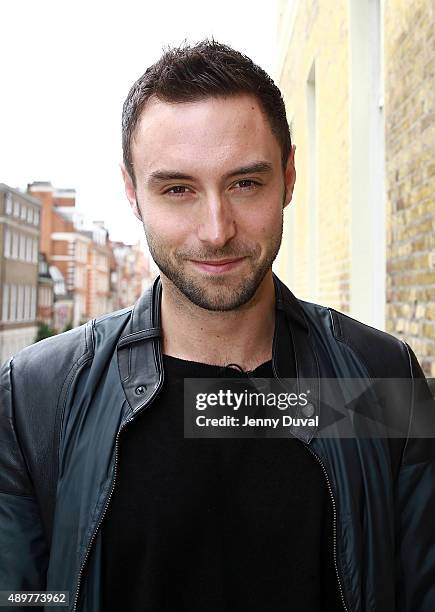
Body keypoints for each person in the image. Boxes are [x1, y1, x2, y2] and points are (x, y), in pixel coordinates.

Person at [0, 40, 434, 612]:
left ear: (289, 176)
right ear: (132, 192)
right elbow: (27, 597)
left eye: (245, 184)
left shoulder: (380, 378)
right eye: (177, 189)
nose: (216, 229)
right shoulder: (38, 395)